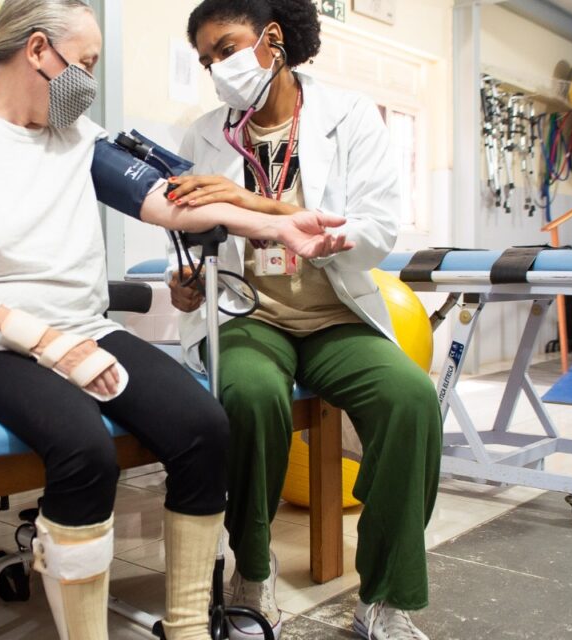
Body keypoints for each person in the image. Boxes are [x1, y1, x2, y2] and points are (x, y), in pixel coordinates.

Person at [0, 1, 351, 637]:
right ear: (35, 52)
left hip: (80, 329)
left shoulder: (79, 138)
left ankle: (189, 624)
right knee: (84, 449)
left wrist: (278, 223)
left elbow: (173, 203)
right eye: (84, 64)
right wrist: (48, 344)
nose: (88, 79)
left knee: (203, 428)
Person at [168, 1, 443, 639]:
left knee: (411, 399)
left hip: (333, 315)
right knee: (250, 395)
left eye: (226, 48)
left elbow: (374, 229)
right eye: (208, 60)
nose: (218, 69)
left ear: (271, 38)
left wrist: (249, 201)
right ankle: (253, 579)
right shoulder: (203, 135)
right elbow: (184, 242)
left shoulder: (349, 118)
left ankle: (383, 597)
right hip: (249, 315)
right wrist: (183, 284)